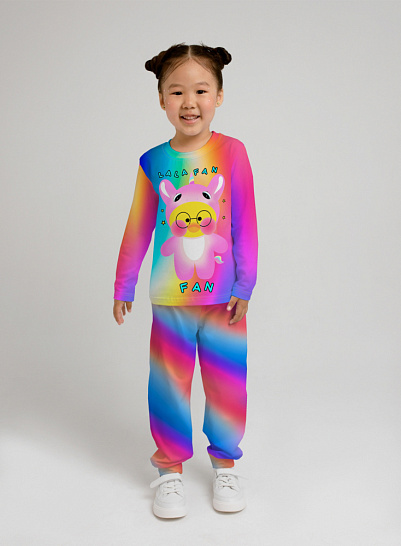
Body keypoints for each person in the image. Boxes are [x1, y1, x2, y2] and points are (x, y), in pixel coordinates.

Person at [113, 42, 258, 519]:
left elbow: (245, 222)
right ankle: (169, 470)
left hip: (223, 303)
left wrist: (245, 285)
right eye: (176, 92)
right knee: (168, 385)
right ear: (161, 99)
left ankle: (225, 464)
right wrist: (123, 285)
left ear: (219, 96)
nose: (189, 102)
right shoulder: (152, 162)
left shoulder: (233, 153)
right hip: (170, 301)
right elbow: (138, 227)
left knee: (227, 385)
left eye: (200, 90)